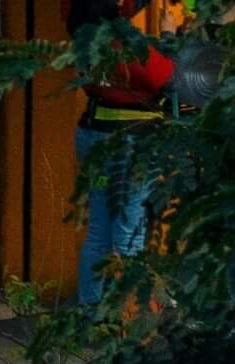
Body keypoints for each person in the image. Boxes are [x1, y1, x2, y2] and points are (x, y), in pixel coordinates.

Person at [70, 0, 175, 308]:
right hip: (130, 146)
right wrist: (168, 36)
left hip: (93, 139)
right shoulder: (125, 44)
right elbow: (164, 76)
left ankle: (91, 312)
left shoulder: (83, 43)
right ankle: (131, 315)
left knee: (99, 231)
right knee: (129, 230)